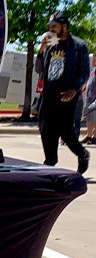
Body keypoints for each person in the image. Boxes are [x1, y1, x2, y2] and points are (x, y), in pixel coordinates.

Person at [34, 11, 90, 173]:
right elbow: (39, 69)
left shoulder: (79, 46)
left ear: (64, 26)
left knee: (66, 132)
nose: (51, 29)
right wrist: (41, 50)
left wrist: (75, 89)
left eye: (54, 26)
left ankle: (82, 153)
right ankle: (50, 161)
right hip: (48, 94)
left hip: (67, 95)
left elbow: (84, 72)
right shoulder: (51, 46)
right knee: (45, 129)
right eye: (50, 26)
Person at [83, 53, 96, 144]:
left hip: (94, 99)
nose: (93, 62)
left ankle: (94, 137)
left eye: (95, 60)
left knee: (94, 119)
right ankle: (89, 135)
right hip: (89, 98)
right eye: (93, 60)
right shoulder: (93, 71)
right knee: (89, 119)